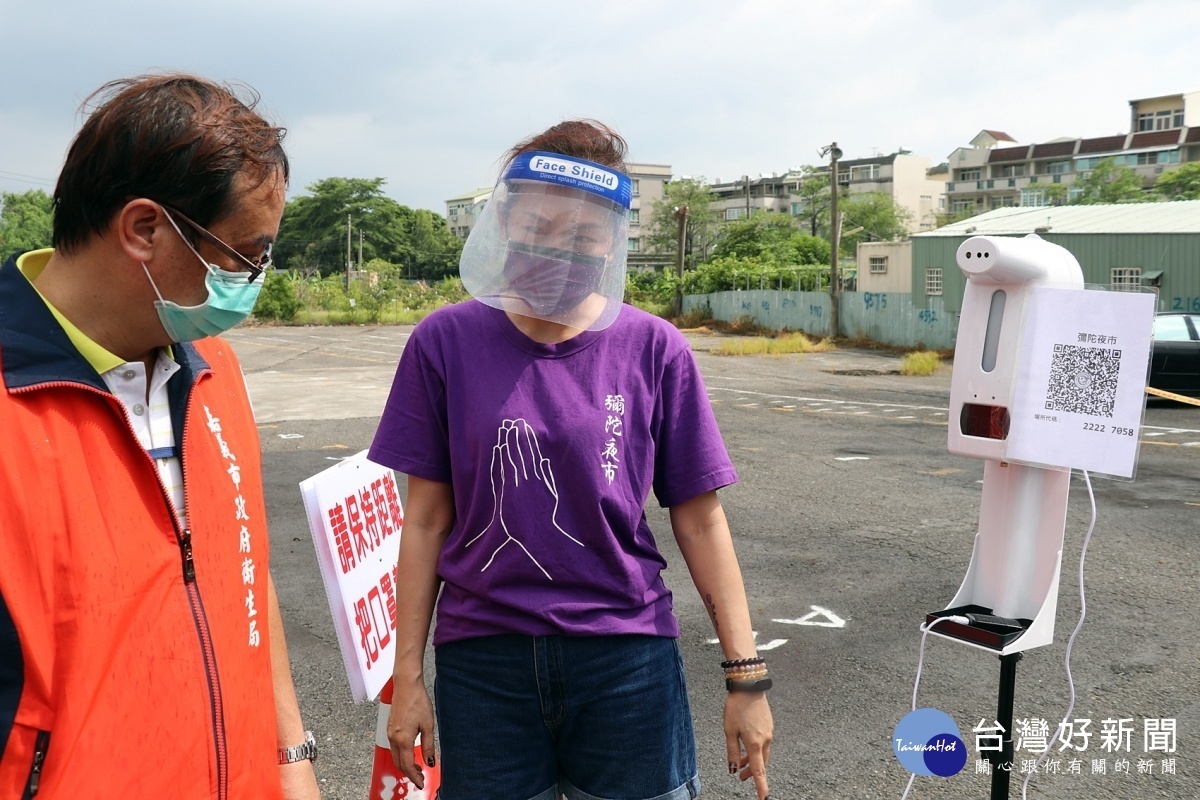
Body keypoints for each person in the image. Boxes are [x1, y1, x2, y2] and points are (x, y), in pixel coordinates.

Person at [369, 120, 773, 800]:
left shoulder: (655, 348)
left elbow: (701, 521)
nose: (558, 248)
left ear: (616, 239)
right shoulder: (445, 341)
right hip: (484, 662)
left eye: (584, 236)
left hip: (628, 660)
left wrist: (747, 678)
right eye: (538, 226)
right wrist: (406, 677)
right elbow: (426, 521)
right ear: (503, 219)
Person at [0, 74, 320, 799]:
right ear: (144, 229)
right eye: (244, 253)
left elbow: (242, 563)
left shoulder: (214, 371)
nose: (251, 279)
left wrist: (289, 753)